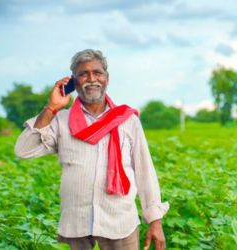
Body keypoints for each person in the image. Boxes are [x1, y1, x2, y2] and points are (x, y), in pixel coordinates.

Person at [14, 49, 169, 250]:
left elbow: (144, 171)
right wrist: (52, 107)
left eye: (97, 73)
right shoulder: (61, 120)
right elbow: (23, 150)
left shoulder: (127, 121)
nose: (91, 79)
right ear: (73, 82)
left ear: (107, 78)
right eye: (83, 74)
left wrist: (155, 221)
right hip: (74, 226)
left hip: (120, 225)